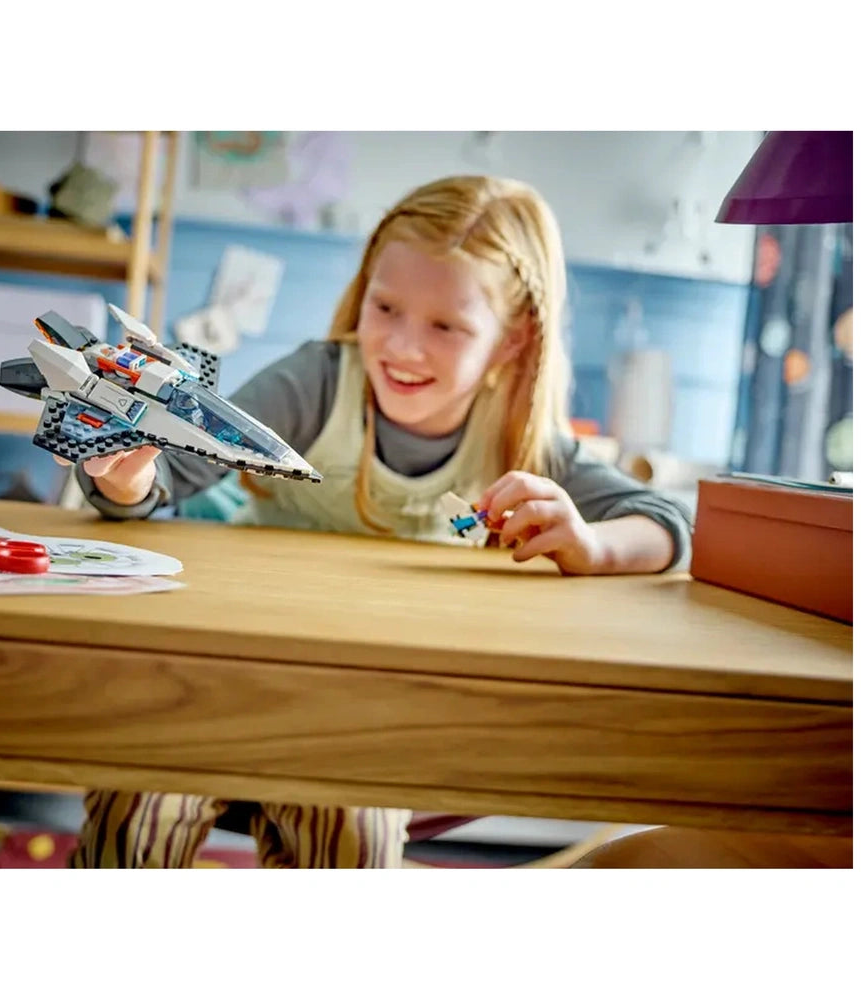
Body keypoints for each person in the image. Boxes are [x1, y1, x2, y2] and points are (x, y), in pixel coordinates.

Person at [63, 175, 693, 868]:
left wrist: (593, 546)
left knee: (351, 823)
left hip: (380, 707)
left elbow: (663, 521)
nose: (402, 347)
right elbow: (163, 479)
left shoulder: (520, 436)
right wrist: (128, 477)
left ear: (511, 341)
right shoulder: (316, 381)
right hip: (238, 674)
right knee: (142, 795)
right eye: (385, 306)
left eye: (446, 326)